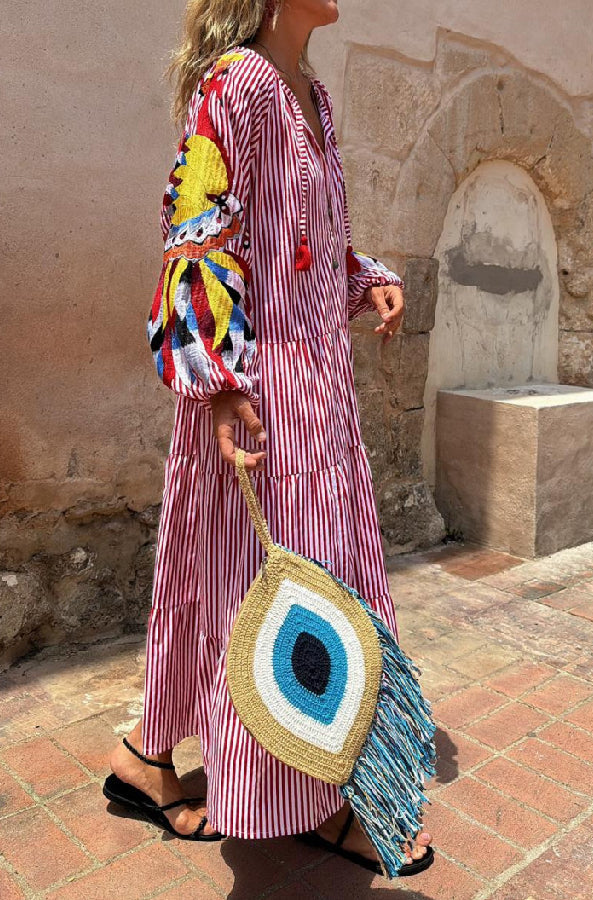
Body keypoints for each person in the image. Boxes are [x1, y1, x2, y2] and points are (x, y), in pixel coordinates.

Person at [104, 0, 433, 874]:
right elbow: (196, 235)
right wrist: (215, 386)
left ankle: (146, 759)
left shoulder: (312, 96)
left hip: (318, 391)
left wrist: (365, 280)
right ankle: (314, 798)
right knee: (278, 590)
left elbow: (302, 243)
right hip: (260, 395)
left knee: (229, 576)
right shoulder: (238, 84)